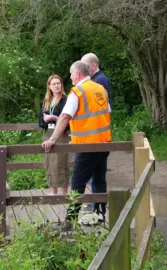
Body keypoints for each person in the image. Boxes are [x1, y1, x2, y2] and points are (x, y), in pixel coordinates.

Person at [41, 61, 111, 231]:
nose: (70, 77)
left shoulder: (77, 92)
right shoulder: (100, 89)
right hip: (104, 142)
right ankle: (100, 215)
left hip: (87, 145)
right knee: (100, 180)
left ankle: (68, 222)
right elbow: (106, 112)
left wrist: (53, 139)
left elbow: (65, 117)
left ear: (78, 74)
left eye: (71, 74)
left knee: (77, 183)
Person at [80, 53, 111, 214]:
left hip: (98, 135)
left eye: (85, 66)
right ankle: (96, 205)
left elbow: (101, 108)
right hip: (93, 135)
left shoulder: (100, 81)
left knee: (97, 175)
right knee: (94, 174)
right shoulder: (95, 81)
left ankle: (98, 206)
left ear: (92, 66)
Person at [38, 74, 70, 195]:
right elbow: (40, 120)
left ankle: (64, 194)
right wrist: (46, 120)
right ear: (49, 86)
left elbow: (67, 120)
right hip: (47, 133)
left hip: (61, 133)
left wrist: (54, 118)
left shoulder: (66, 100)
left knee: (61, 163)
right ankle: (53, 192)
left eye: (58, 83)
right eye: (54, 84)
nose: (57, 86)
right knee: (49, 162)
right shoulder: (47, 101)